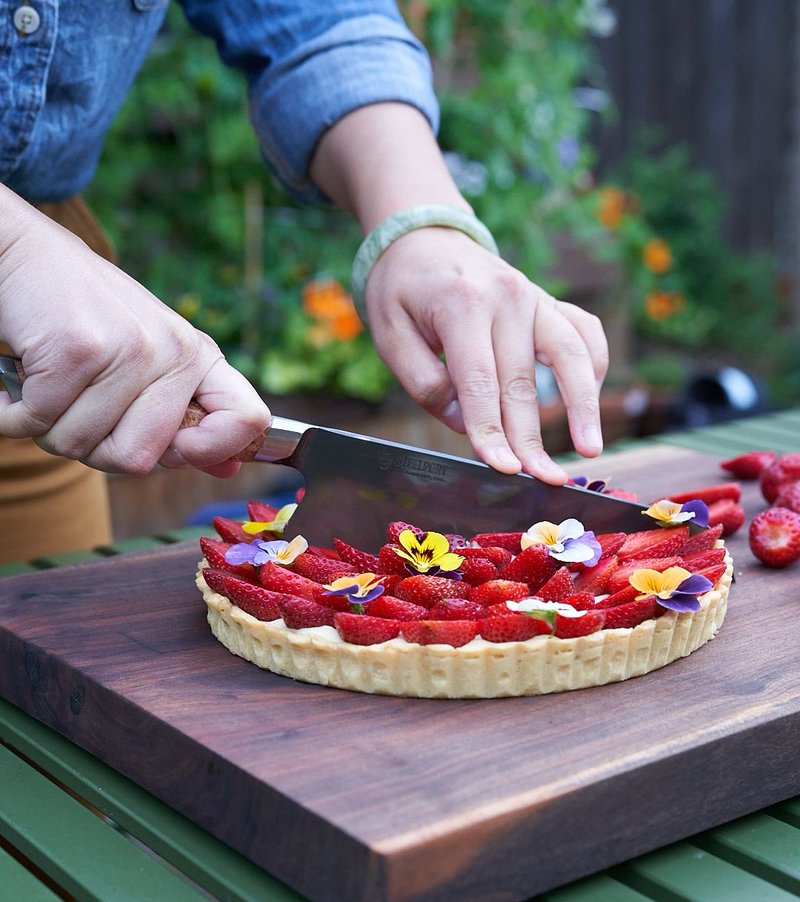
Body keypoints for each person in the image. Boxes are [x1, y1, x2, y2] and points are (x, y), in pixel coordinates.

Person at [0, 0, 608, 564]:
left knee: (38, 650)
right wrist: (16, 249)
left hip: (46, 346)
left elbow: (315, 18)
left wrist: (419, 220)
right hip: (38, 277)